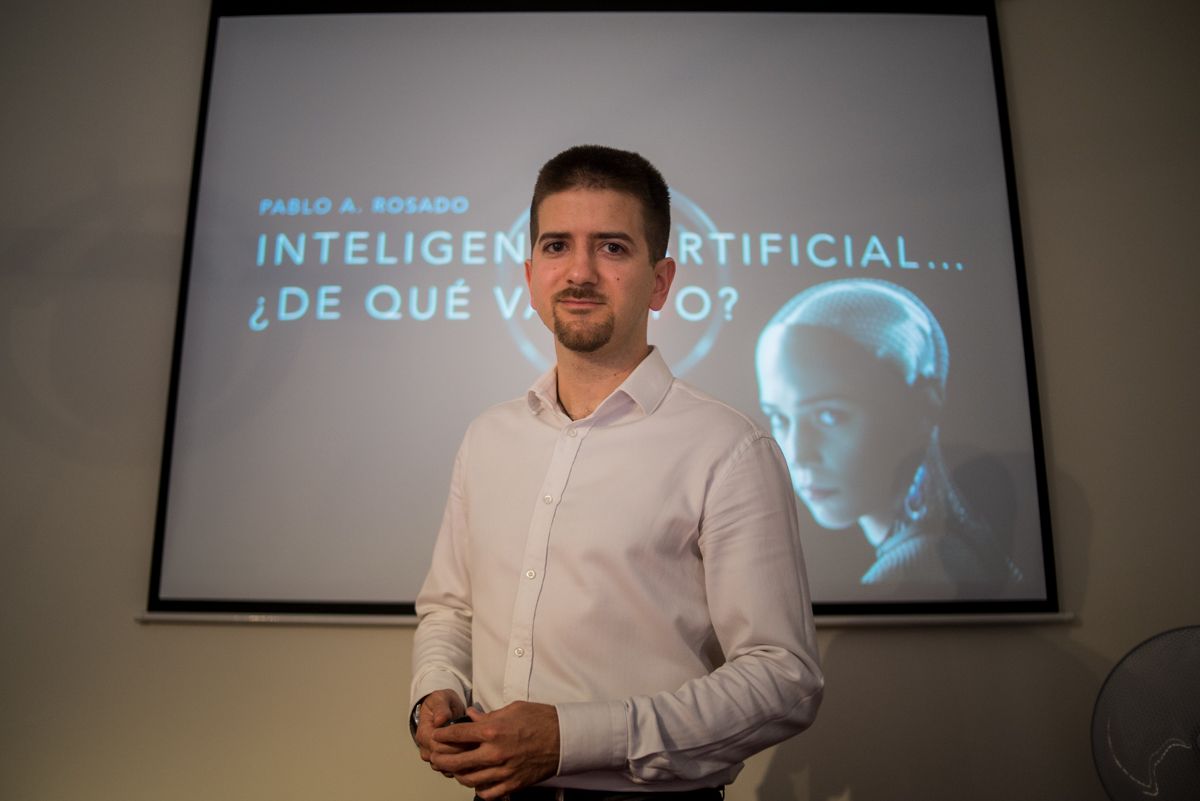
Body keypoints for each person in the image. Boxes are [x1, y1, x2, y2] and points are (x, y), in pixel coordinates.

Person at [410, 145, 823, 800]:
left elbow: (784, 677)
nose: (579, 271)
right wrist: (434, 692)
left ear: (660, 281)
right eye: (556, 246)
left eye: (611, 247)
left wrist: (572, 737)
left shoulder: (728, 448)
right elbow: (450, 608)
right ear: (528, 275)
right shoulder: (489, 437)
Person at [755, 278, 1020, 589]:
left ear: (924, 405)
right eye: (779, 418)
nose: (798, 455)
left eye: (830, 415)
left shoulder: (911, 573)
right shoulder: (959, 548)